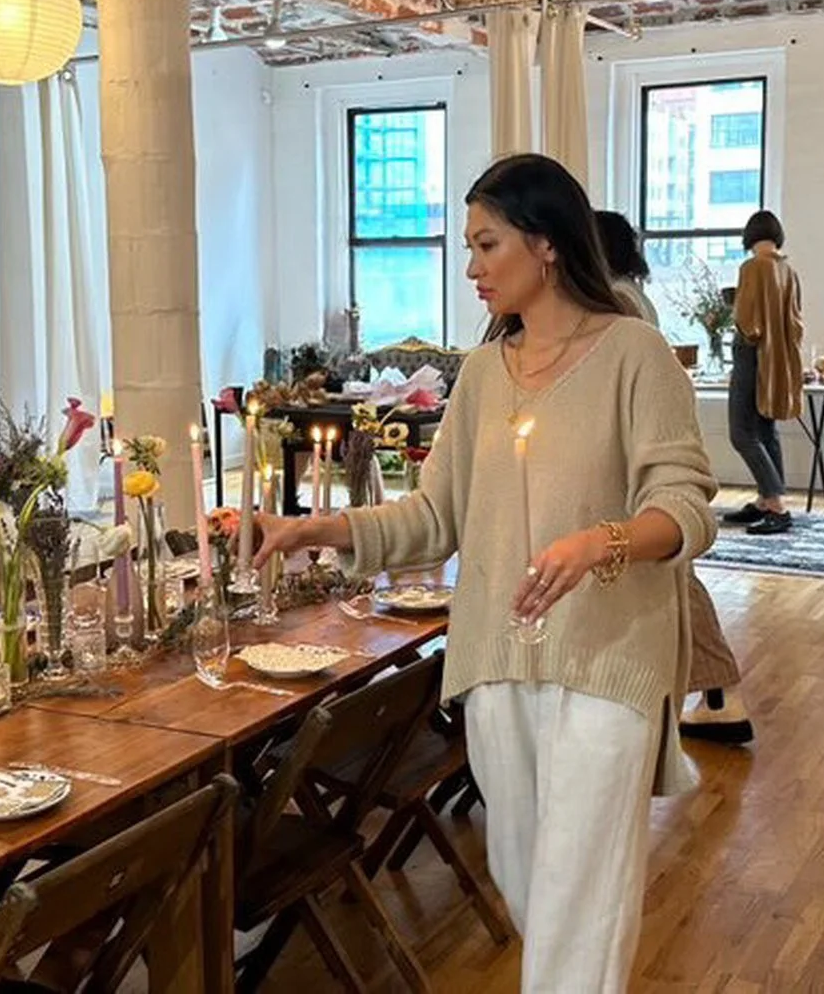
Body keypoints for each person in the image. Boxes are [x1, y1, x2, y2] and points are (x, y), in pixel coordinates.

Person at [257, 156, 718, 991]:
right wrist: (316, 529)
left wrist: (597, 544)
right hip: (500, 657)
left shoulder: (635, 354)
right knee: (526, 877)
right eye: (469, 247)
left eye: (486, 243)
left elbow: (686, 507)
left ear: (544, 245)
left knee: (582, 894)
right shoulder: (480, 376)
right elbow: (434, 519)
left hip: (610, 657)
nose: (470, 266)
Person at [597, 210, 754, 745]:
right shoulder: (631, 297)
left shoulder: (618, 303)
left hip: (634, 460)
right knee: (670, 575)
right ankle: (714, 693)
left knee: (673, 574)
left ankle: (719, 692)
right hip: (637, 454)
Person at [724, 210, 803, 535]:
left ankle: (775, 504)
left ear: (750, 236)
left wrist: (734, 305)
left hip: (751, 354)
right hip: (779, 358)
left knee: (741, 432)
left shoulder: (753, 267)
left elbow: (748, 322)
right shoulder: (787, 269)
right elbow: (795, 323)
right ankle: (766, 499)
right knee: (765, 429)